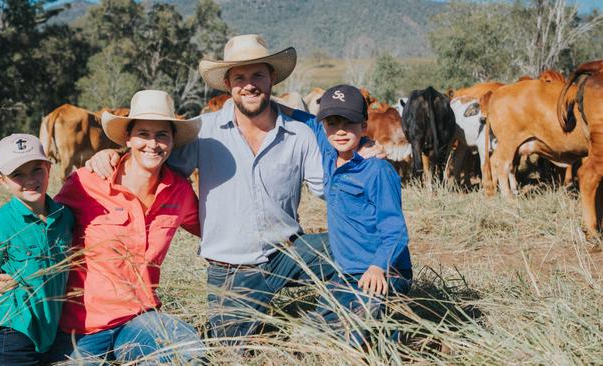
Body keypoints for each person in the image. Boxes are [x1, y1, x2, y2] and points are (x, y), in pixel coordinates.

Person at [86, 35, 384, 341]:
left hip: (289, 253)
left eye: (258, 75)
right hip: (231, 269)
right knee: (229, 350)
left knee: (368, 245)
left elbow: (329, 190)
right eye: (240, 77)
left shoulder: (299, 134)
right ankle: (262, 329)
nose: (250, 84)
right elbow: (152, 159)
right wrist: (113, 156)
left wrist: (360, 159)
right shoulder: (204, 132)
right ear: (228, 84)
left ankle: (321, 329)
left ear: (272, 78)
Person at [47, 90, 205, 364]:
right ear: (128, 139)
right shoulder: (88, 182)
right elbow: (45, 228)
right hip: (82, 328)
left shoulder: (178, 191)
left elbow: (213, 228)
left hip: (140, 320)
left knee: (188, 353)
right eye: (143, 134)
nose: (152, 144)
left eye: (162, 135)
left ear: (172, 142)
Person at [289, 85, 412, 345]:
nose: (341, 130)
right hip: (347, 273)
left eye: (350, 122)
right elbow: (302, 117)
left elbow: (396, 230)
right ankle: (388, 327)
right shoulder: (327, 150)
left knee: (354, 335)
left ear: (364, 125)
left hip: (383, 271)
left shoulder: (377, 170)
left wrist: (379, 267)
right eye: (332, 123)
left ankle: (404, 336)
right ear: (324, 126)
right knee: (312, 332)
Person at [0, 134, 75, 366]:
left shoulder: (65, 217)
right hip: (10, 338)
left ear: (49, 168)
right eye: (17, 174)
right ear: (2, 180)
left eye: (36, 169)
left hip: (52, 340)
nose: (30, 180)